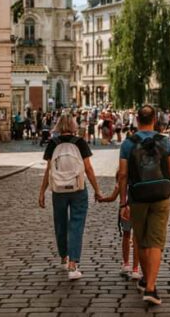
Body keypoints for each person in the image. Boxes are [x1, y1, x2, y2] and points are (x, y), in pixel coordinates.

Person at [118, 105, 170, 306]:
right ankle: (151, 287)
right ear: (155, 120)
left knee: (141, 239)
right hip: (160, 195)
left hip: (138, 196)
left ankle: (146, 279)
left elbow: (123, 174)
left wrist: (123, 202)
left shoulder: (128, 143)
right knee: (156, 241)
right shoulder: (165, 142)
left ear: (137, 120)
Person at [38, 113, 103, 280]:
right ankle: (73, 264)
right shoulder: (79, 142)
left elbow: (48, 170)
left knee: (60, 224)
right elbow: (88, 168)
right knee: (76, 224)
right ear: (73, 125)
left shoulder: (53, 143)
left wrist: (42, 191)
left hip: (58, 190)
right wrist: (97, 190)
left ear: (59, 125)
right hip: (78, 189)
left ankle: (63, 257)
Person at [100, 168, 141, 280]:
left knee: (126, 235)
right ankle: (135, 269)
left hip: (125, 210)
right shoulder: (138, 177)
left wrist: (101, 199)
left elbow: (112, 198)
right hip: (137, 208)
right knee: (136, 238)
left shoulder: (121, 180)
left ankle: (126, 264)